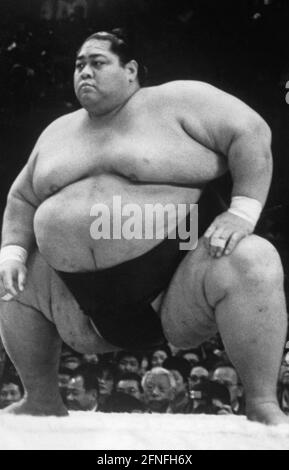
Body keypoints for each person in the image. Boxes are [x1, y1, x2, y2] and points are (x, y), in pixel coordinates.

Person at [0, 29, 287, 425]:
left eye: (98, 62)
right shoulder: (57, 132)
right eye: (79, 64)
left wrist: (242, 212)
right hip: (78, 302)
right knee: (9, 274)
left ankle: (262, 404)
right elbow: (21, 198)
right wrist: (13, 251)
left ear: (131, 69)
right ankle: (41, 398)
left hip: (176, 288)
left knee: (254, 257)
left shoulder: (178, 101)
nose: (84, 72)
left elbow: (251, 133)